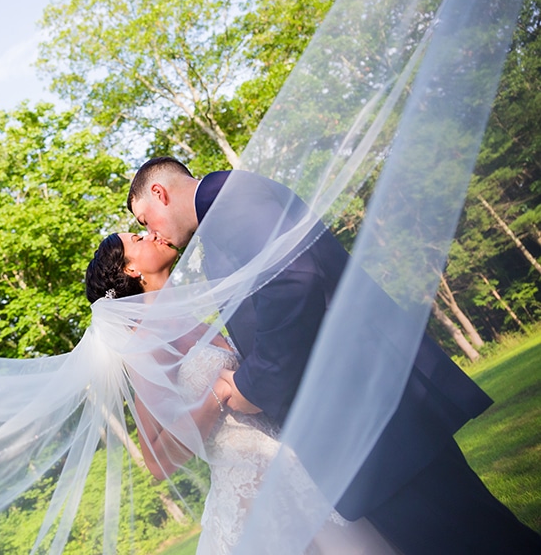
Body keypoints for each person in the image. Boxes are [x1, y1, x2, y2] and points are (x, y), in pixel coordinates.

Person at [125, 156, 541, 554]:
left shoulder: (231, 198)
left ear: (160, 192)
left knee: (465, 538)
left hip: (364, 411)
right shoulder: (221, 213)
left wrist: (255, 384)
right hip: (354, 417)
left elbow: (292, 279)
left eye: (146, 221)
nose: (154, 233)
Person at [85, 232, 399, 554]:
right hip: (255, 491)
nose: (151, 235)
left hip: (294, 459)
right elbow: (156, 462)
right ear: (131, 269)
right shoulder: (146, 343)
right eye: (138, 238)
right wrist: (218, 394)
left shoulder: (185, 318)